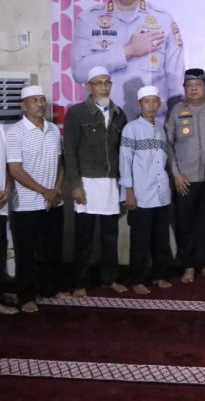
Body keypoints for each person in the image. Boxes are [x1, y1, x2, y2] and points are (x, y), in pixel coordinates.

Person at [71, 0, 184, 120]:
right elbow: (79, 72)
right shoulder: (88, 20)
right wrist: (127, 50)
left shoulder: (163, 21)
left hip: (150, 125)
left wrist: (175, 126)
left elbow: (176, 83)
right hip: (101, 126)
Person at [63, 66, 128, 297]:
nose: (104, 87)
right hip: (86, 183)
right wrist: (75, 185)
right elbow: (69, 151)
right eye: (99, 83)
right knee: (84, 236)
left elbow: (122, 152)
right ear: (89, 86)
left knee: (110, 236)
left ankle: (110, 279)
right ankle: (80, 282)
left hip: (111, 183)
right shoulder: (77, 113)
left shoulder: (119, 114)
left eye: (107, 82)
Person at [6, 86, 69, 312]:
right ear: (23, 106)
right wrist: (44, 191)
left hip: (54, 201)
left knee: (52, 249)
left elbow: (61, 165)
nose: (41, 104)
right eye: (35, 100)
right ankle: (26, 296)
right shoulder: (15, 132)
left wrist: (56, 190)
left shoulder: (53, 130)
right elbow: (15, 170)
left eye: (42, 99)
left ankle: (51, 288)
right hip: (26, 204)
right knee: (26, 253)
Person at [165, 68, 205, 283]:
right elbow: (167, 145)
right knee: (185, 224)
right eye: (189, 86)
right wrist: (175, 174)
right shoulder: (176, 110)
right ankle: (188, 265)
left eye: (198, 85)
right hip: (185, 180)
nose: (193, 89)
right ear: (184, 88)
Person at [119, 85, 173, 295]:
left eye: (154, 101)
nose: (151, 105)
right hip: (141, 194)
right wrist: (129, 191)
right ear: (139, 105)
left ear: (159, 104)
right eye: (146, 101)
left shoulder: (160, 128)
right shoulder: (131, 129)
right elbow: (125, 161)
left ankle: (159, 275)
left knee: (161, 239)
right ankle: (137, 279)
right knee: (140, 240)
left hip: (161, 193)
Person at [0, 124, 18, 315]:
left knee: (1, 249)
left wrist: (7, 189)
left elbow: (6, 166)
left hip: (1, 203)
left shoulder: (1, 130)